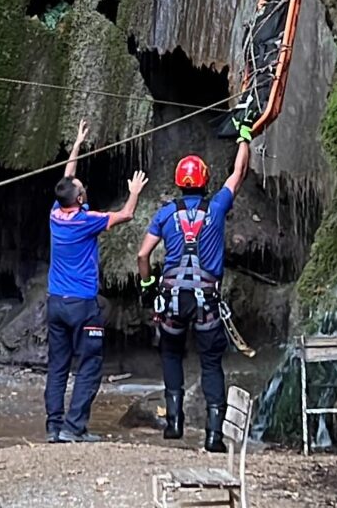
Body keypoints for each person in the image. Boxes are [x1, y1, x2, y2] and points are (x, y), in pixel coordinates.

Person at [137, 127, 251, 451]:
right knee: (211, 363)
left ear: (177, 182)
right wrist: (244, 138)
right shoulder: (216, 209)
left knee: (171, 354)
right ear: (205, 182)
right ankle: (214, 436)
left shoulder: (165, 214)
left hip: (172, 300)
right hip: (207, 302)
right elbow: (239, 172)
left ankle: (174, 424)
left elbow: (143, 255)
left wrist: (147, 287)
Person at [44, 120, 149, 443]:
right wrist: (133, 194)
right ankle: (74, 428)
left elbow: (66, 179)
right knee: (90, 364)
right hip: (82, 305)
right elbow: (126, 216)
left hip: (55, 303)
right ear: (79, 198)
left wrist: (76, 145)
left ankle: (53, 427)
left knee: (58, 365)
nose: (82, 187)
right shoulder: (85, 221)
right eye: (81, 188)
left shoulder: (55, 213)